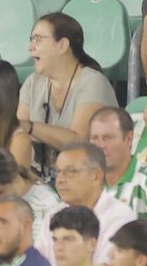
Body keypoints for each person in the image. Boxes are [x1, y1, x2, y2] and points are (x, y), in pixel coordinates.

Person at [18, 13, 120, 178]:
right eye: (31, 39)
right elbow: (17, 134)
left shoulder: (93, 82)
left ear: (63, 45)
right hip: (39, 181)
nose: (31, 47)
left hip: (85, 180)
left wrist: (29, 126)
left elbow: (78, 142)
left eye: (38, 39)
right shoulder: (33, 83)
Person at [36, 144, 136, 265]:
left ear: (96, 177)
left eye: (71, 171)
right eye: (58, 172)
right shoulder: (54, 213)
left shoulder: (119, 217)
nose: (60, 180)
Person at [88, 109, 147, 219]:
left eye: (108, 137)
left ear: (128, 139)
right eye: (94, 138)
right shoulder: (85, 181)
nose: (100, 145)